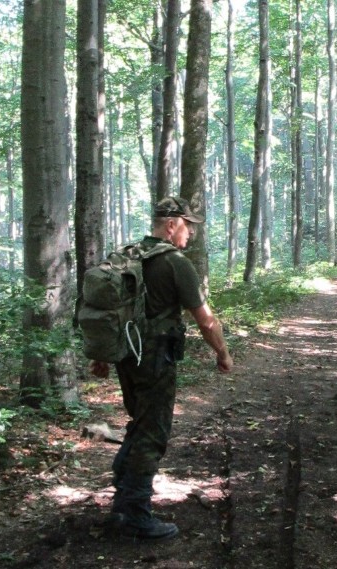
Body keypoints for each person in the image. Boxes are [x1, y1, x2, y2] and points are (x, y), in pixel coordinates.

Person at [89, 196, 233, 540]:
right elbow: (206, 320)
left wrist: (101, 356)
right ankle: (135, 517)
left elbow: (108, 310)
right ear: (171, 225)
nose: (192, 234)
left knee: (140, 424)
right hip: (155, 357)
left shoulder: (128, 254)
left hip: (126, 356)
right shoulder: (175, 263)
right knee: (152, 433)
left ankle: (124, 501)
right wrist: (223, 354)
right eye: (189, 226)